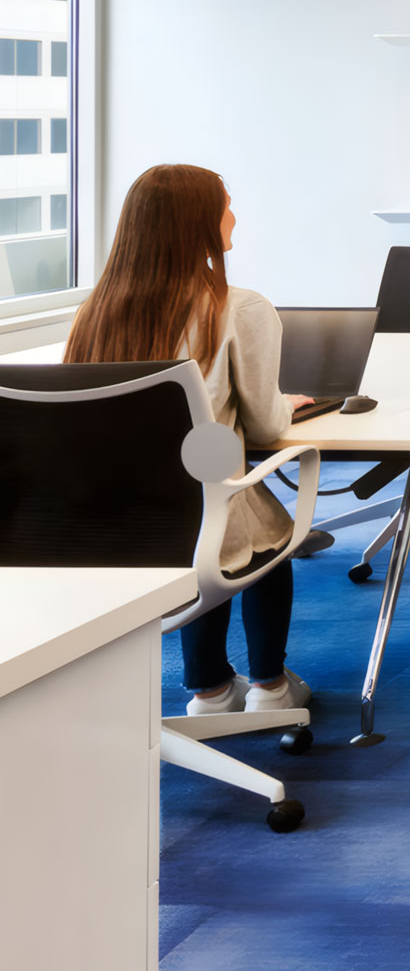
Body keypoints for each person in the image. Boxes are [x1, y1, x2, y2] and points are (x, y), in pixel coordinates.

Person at [63, 164, 313, 716]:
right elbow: (266, 427)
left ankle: (209, 691)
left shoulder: (92, 315)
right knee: (262, 530)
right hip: (202, 508)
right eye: (226, 205)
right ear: (197, 223)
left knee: (209, 519)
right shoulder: (239, 307)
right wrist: (285, 404)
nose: (234, 216)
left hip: (107, 521)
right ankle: (270, 688)